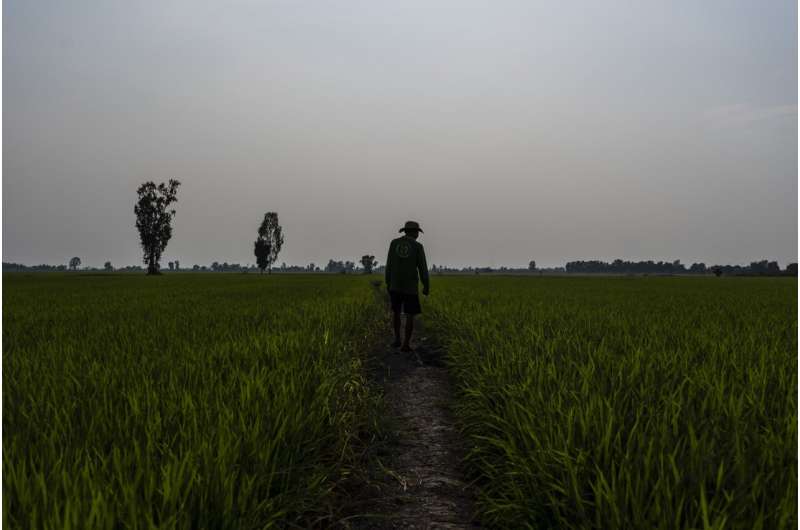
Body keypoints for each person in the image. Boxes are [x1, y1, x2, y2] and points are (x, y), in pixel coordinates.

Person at [385, 220, 430, 351]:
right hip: (410, 287)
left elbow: (389, 265)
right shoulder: (417, 246)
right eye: (417, 232)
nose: (418, 235)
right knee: (410, 314)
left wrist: (388, 282)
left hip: (395, 285)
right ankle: (406, 344)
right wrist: (426, 286)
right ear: (415, 233)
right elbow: (423, 268)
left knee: (396, 313)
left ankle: (397, 339)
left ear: (405, 231)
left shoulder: (394, 244)